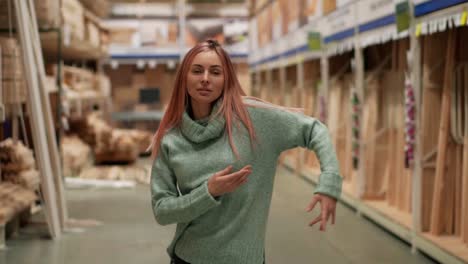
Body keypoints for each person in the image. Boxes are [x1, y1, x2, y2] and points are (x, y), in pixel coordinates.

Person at [150, 39, 342, 264]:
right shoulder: (171, 138)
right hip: (188, 258)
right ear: (184, 77)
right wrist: (208, 192)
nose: (205, 79)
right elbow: (162, 211)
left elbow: (314, 130)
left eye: (215, 72)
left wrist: (329, 184)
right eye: (197, 71)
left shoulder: (253, 120)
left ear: (226, 79)